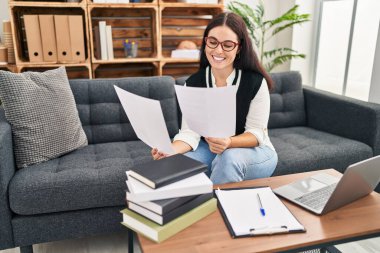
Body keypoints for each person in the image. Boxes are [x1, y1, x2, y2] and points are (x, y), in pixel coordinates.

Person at [152, 12, 278, 184]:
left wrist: (229, 142)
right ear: (205, 42)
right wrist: (169, 151)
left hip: (254, 150)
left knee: (228, 158)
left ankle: (217, 210)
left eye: (227, 45)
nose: (218, 50)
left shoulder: (255, 82)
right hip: (210, 149)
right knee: (177, 166)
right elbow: (190, 133)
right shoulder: (194, 83)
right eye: (212, 42)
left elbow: (256, 134)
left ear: (238, 47)